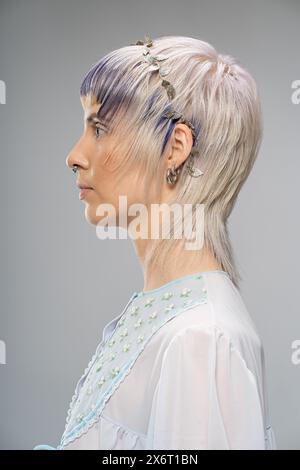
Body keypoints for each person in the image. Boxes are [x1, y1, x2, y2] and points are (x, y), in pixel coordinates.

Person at [34, 35, 276, 450]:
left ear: (175, 148)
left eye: (99, 128)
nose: (74, 155)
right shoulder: (175, 320)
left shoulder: (199, 340)